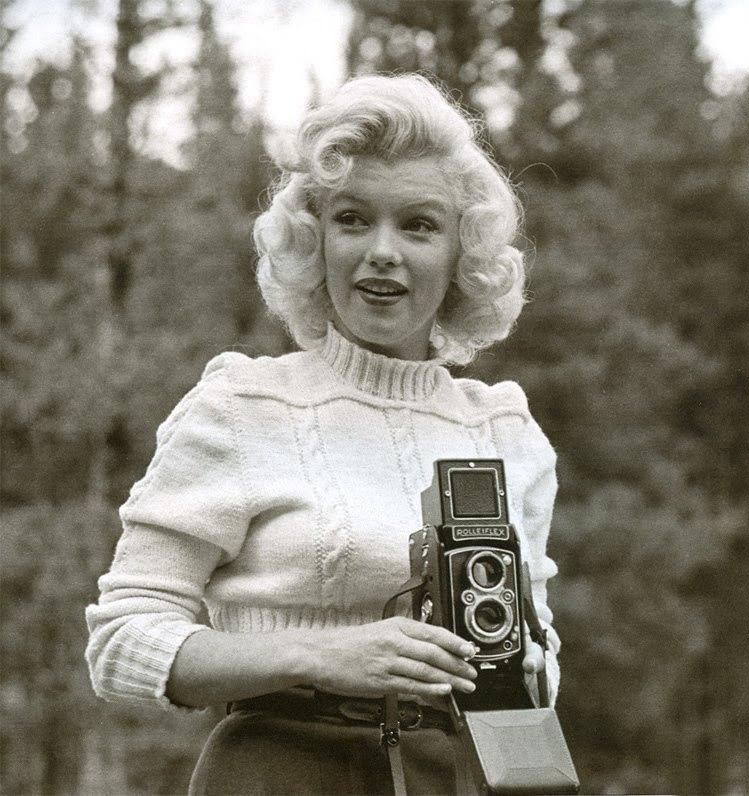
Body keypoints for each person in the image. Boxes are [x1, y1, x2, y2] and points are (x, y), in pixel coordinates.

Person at [84, 73, 561, 794]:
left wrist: (526, 664)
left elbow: (541, 659)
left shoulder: (503, 430)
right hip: (278, 772)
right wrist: (320, 656)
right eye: (353, 219)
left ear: (461, 254)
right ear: (316, 240)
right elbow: (122, 644)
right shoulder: (242, 406)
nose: (382, 251)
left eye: (419, 225)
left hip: (459, 774)